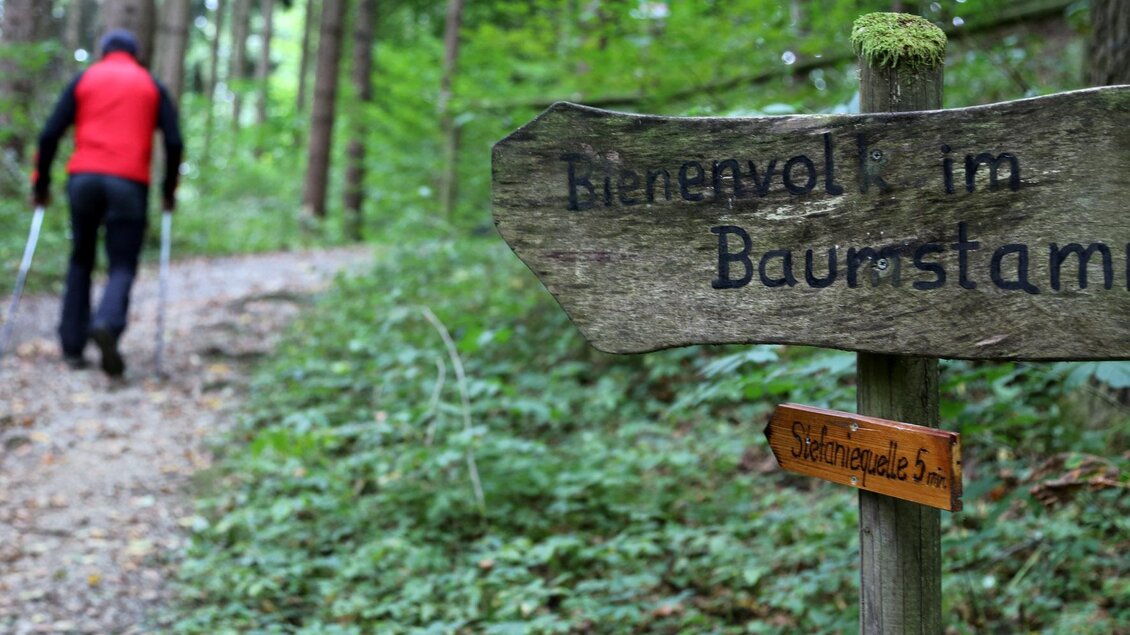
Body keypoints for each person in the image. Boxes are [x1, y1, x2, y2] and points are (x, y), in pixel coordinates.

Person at [32, 29, 183, 378]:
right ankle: (108, 324)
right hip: (130, 183)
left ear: (103, 52)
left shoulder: (85, 80)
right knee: (122, 263)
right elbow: (174, 141)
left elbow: (49, 133)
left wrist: (41, 184)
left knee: (81, 259)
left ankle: (72, 346)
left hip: (83, 180)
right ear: (137, 53)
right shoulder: (150, 85)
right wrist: (168, 190)